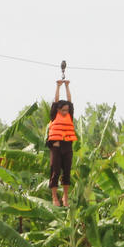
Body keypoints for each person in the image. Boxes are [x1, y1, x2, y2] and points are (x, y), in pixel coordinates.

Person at [46, 78, 76, 206]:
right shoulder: (54, 115)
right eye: (63, 110)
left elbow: (70, 100)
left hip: (67, 146)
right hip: (56, 147)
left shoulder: (69, 115)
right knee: (55, 171)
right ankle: (54, 197)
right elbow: (56, 100)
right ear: (58, 110)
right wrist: (58, 86)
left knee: (67, 172)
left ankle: (65, 197)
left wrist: (67, 86)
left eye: (67, 110)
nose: (65, 112)